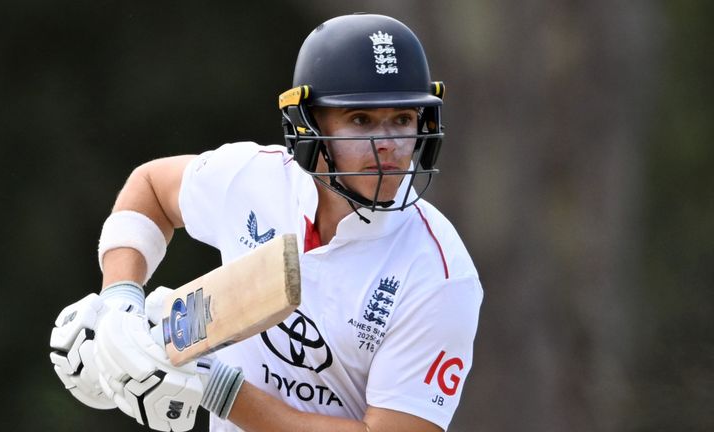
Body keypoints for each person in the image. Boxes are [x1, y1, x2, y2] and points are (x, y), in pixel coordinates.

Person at [50, 13, 482, 432]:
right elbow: (152, 189)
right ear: (309, 124)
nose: (388, 145)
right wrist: (120, 298)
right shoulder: (253, 178)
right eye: (360, 120)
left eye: (403, 120)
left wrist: (219, 390)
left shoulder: (440, 276)